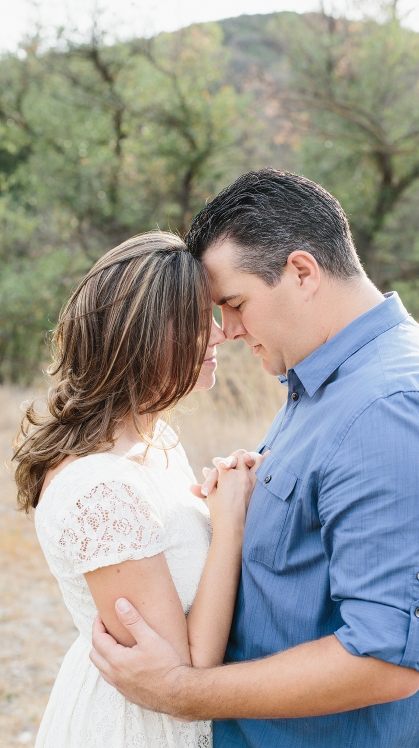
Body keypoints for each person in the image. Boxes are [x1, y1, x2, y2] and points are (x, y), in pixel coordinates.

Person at [87, 169, 419, 748]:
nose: (225, 330)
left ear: (302, 272)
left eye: (235, 303)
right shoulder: (327, 379)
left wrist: (182, 691)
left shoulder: (390, 411)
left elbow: (384, 660)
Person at [13, 232, 262, 748]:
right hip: (134, 729)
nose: (219, 336)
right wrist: (229, 527)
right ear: (147, 335)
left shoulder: (156, 439)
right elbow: (186, 670)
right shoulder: (97, 489)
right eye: (199, 322)